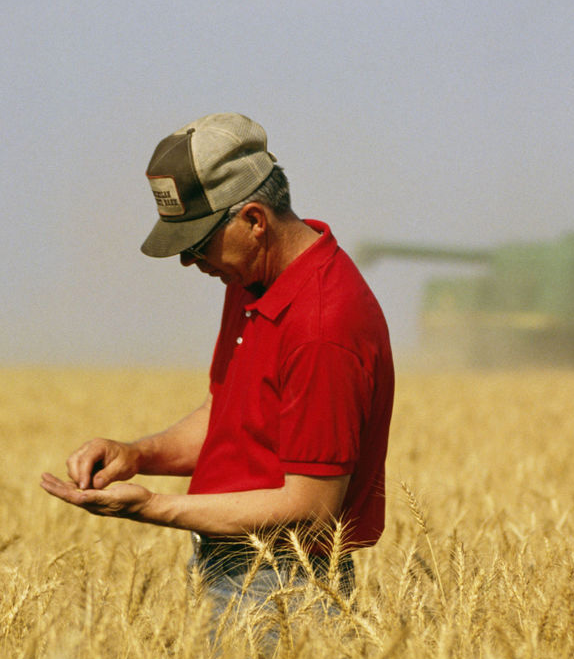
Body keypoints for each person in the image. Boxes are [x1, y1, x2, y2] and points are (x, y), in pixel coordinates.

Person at [40, 112, 394, 647]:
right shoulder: (252, 276)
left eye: (198, 241)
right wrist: (137, 455)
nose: (188, 261)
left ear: (254, 219)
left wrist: (154, 508)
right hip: (231, 563)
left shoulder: (323, 325)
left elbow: (313, 507)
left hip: (284, 585)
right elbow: (230, 415)